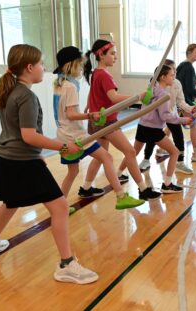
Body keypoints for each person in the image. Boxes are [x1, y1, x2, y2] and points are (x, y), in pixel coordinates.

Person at [0, 44, 98, 284]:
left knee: (11, 202)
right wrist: (64, 147)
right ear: (30, 68)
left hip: (6, 159)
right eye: (42, 63)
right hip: (22, 163)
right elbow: (29, 136)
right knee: (61, 207)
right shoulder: (26, 96)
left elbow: (16, 133)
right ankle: (66, 264)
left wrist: (36, 153)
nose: (45, 68)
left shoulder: (10, 90)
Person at [53, 46, 144, 209]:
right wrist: (91, 114)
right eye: (80, 64)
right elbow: (71, 114)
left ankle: (59, 207)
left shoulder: (60, 84)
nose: (82, 68)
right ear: (73, 64)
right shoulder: (70, 87)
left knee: (73, 172)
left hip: (63, 134)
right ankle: (121, 196)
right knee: (107, 157)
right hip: (74, 135)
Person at [82, 39, 160, 201]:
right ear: (101, 56)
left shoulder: (96, 72)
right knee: (130, 151)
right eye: (112, 53)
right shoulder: (104, 75)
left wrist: (89, 106)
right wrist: (138, 97)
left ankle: (86, 187)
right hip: (106, 122)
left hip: (97, 122)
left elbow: (94, 94)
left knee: (101, 156)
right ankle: (143, 189)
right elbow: (114, 97)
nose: (115, 57)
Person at [121, 64, 192, 193]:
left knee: (133, 153)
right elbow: (165, 116)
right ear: (163, 77)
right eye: (171, 75)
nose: (173, 78)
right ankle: (167, 184)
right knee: (175, 152)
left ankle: (119, 173)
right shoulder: (163, 95)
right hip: (153, 129)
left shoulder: (151, 89)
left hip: (142, 125)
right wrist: (182, 120)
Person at [139, 59, 195, 175]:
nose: (175, 72)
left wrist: (190, 109)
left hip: (171, 114)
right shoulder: (154, 83)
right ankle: (146, 159)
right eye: (172, 70)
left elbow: (181, 102)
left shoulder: (177, 83)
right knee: (153, 137)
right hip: (157, 116)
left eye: (175, 70)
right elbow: (148, 100)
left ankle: (179, 162)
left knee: (179, 137)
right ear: (163, 75)